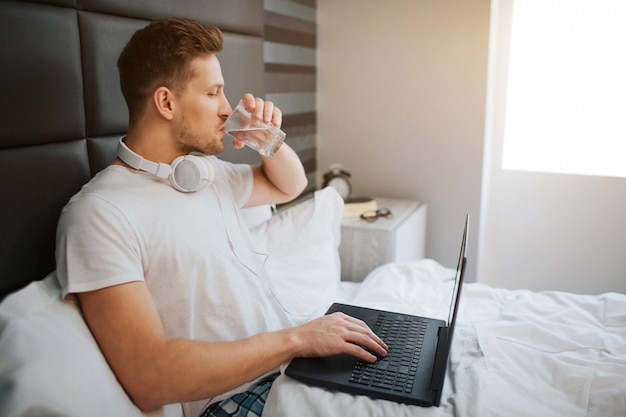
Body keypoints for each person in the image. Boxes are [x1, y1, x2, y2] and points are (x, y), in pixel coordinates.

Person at [55, 17, 387, 417]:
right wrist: (297, 340)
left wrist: (269, 140)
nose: (228, 110)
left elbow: (289, 186)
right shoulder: (100, 214)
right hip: (236, 397)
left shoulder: (201, 175)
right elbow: (148, 377)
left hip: (287, 369)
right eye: (213, 93)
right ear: (165, 102)